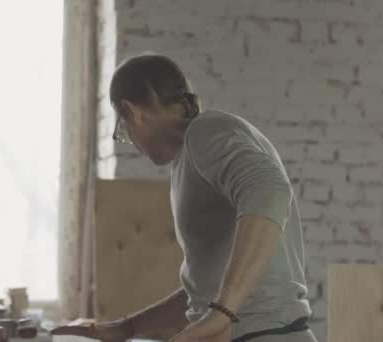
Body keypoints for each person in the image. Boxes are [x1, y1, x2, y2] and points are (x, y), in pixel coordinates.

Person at [52, 53, 318, 342]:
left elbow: (270, 188)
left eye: (123, 129)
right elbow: (205, 291)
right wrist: (126, 328)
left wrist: (221, 314)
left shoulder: (205, 132)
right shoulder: (189, 158)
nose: (131, 140)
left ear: (132, 112)